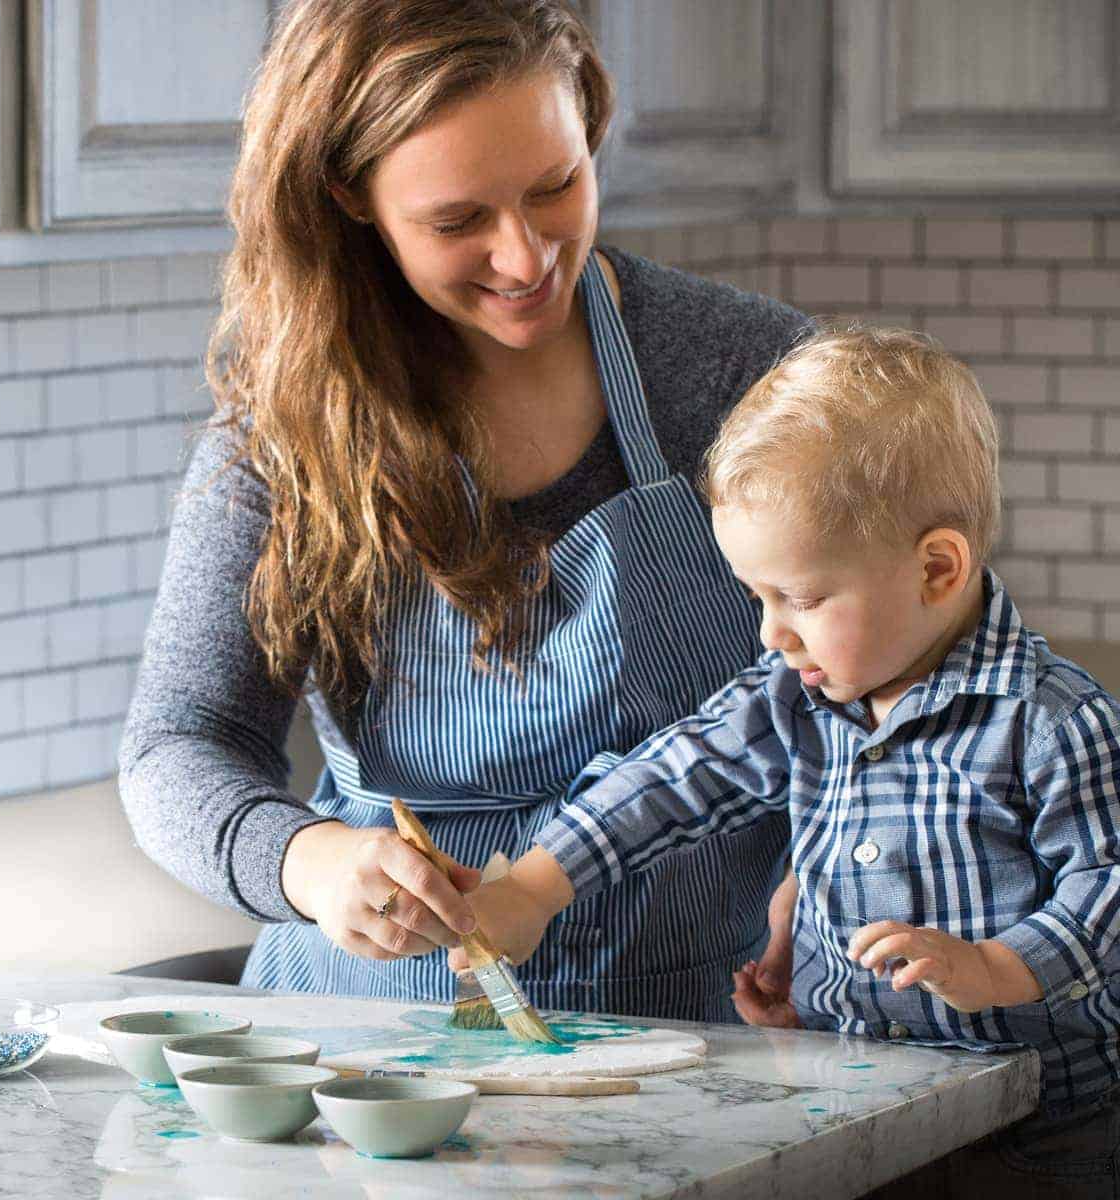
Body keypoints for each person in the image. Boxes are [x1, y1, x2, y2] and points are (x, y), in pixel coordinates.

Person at [118, 0, 811, 1020]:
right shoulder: (286, 430)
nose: (527, 258)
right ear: (350, 197)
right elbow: (181, 742)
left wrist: (832, 878)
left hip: (715, 1026)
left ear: (591, 124)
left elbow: (918, 675)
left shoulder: (747, 373)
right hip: (368, 1036)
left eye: (557, 186)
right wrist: (309, 863)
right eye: (457, 222)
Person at [464, 328, 1120, 1193]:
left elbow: (1107, 888)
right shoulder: (795, 693)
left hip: (1042, 1133)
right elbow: (673, 778)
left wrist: (997, 968)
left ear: (936, 568)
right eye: (758, 596)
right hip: (858, 1104)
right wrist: (534, 888)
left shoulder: (1051, 723)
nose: (773, 632)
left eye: (803, 598)